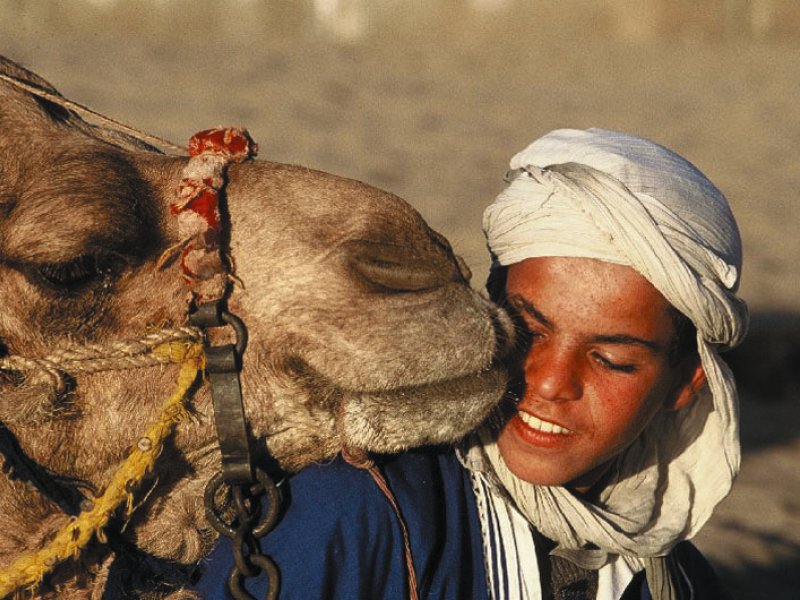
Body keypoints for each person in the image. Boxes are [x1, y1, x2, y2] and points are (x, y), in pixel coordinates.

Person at [192, 128, 746, 600]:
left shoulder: (674, 579)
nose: (551, 382)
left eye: (609, 360)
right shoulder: (355, 514)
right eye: (528, 330)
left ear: (685, 382)